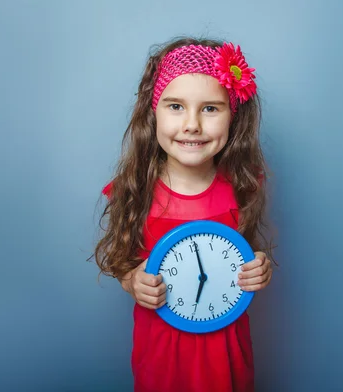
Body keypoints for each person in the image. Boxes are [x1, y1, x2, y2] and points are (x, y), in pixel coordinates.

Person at [92, 36, 275, 392]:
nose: (192, 124)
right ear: (153, 111)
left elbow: (242, 257)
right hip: (163, 356)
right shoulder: (136, 190)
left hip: (228, 353)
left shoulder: (243, 188)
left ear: (233, 116)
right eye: (176, 106)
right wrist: (133, 282)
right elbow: (122, 264)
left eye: (210, 108)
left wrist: (259, 269)